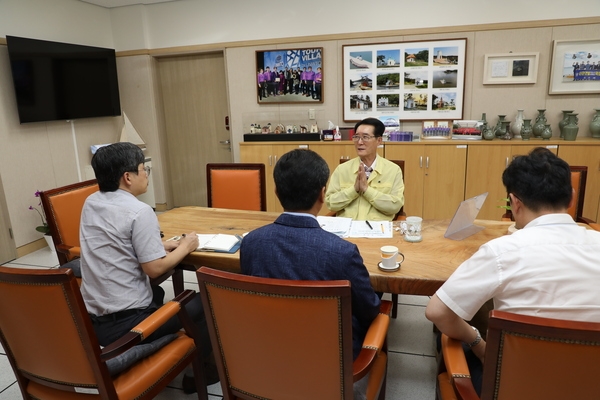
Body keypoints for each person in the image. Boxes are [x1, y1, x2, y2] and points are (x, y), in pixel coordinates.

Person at [425, 147, 600, 395]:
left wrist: (478, 343)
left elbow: (437, 312)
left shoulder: (502, 251)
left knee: (451, 342)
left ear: (514, 202)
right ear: (571, 198)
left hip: (513, 386)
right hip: (589, 386)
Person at [79, 142, 217, 392]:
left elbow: (113, 244)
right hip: (128, 327)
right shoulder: (139, 211)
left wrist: (157, 245)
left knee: (157, 293)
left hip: (93, 322)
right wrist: (186, 246)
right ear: (128, 177)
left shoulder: (91, 202)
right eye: (145, 169)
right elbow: (154, 269)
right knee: (204, 301)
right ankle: (199, 376)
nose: (147, 175)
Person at [240, 149, 381, 362]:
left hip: (268, 347)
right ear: (322, 194)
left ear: (277, 192)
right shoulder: (343, 252)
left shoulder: (251, 242)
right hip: (330, 358)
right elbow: (369, 310)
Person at [325, 117, 404, 220]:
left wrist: (367, 191)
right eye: (356, 137)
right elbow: (330, 203)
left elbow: (395, 206)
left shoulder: (393, 170)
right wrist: (354, 190)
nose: (359, 142)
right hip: (348, 230)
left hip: (378, 230)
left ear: (379, 140)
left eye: (365, 137)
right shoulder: (342, 170)